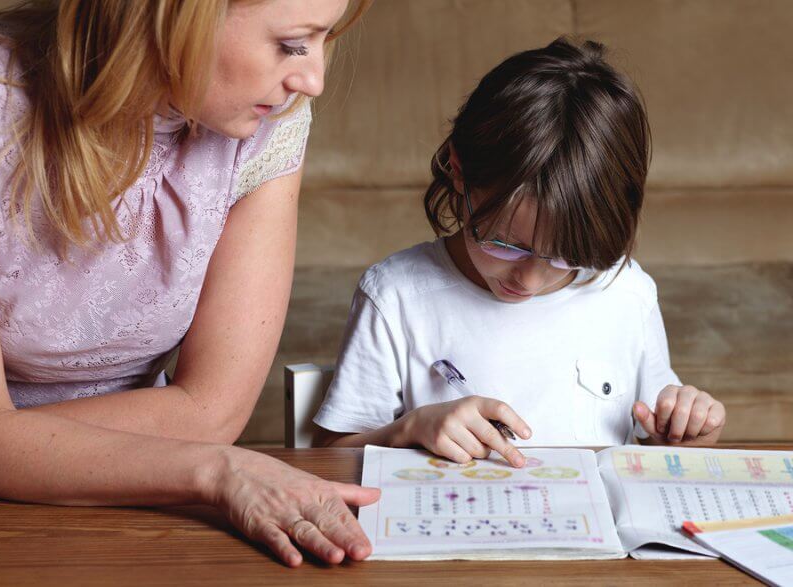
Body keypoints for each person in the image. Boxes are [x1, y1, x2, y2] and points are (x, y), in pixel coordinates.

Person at [0, 0, 379, 568]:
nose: (313, 80)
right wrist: (218, 469)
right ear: (177, 16)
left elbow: (211, 412)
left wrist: (16, 447)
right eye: (293, 43)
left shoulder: (271, 118)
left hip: (139, 494)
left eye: (324, 41)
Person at [312, 38, 727, 467]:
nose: (527, 280)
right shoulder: (396, 296)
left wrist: (686, 430)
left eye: (566, 254)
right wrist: (408, 430)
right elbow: (328, 457)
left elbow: (660, 439)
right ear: (458, 170)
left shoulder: (628, 293)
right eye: (505, 243)